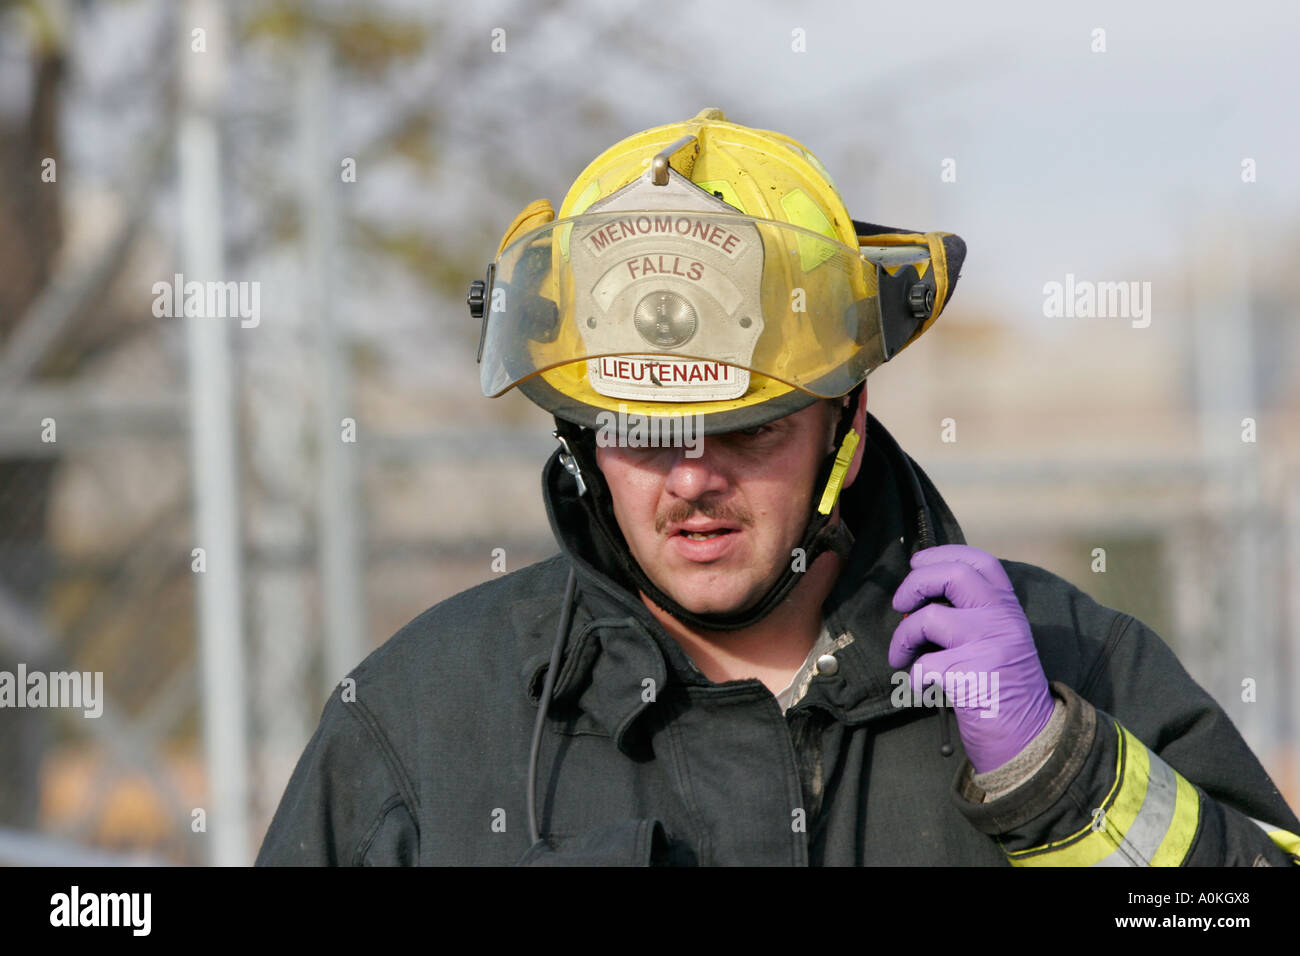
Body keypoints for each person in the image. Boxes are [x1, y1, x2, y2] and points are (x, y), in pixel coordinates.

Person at [257, 109, 1300, 866]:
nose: (695, 475)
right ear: (580, 435)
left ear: (844, 420)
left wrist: (1067, 786)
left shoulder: (1066, 660)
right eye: (643, 429)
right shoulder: (424, 722)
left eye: (749, 426)